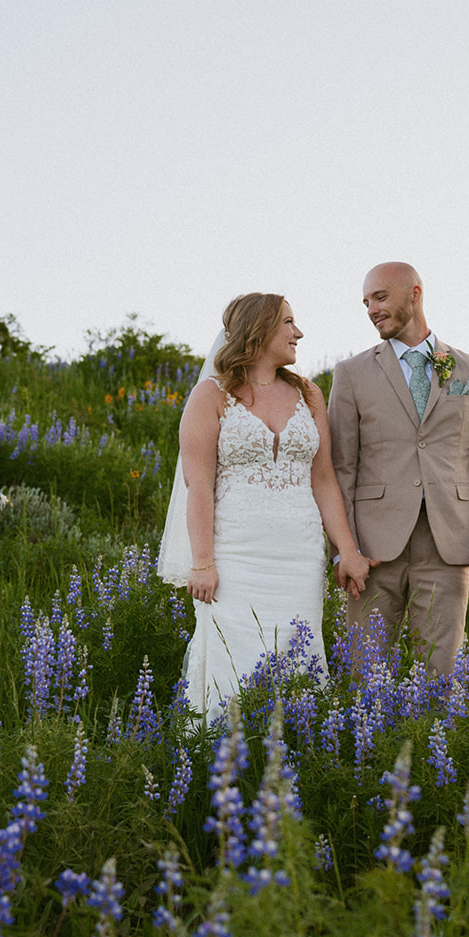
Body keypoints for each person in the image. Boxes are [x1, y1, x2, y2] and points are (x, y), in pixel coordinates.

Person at [158, 293, 374, 718]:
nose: (299, 333)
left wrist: (346, 550)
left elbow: (324, 478)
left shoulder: (309, 393)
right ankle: (219, 762)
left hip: (299, 557)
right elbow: (197, 484)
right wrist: (202, 561)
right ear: (259, 330)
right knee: (230, 664)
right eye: (288, 323)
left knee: (298, 659)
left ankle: (292, 749)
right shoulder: (211, 396)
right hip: (236, 556)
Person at [327, 262, 469, 676]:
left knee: (441, 674)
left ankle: (433, 743)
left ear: (414, 293)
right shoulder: (351, 374)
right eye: (366, 302)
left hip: (448, 543)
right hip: (372, 551)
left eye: (380, 297)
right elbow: (341, 469)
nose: (371, 309)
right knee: (363, 674)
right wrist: (344, 550)